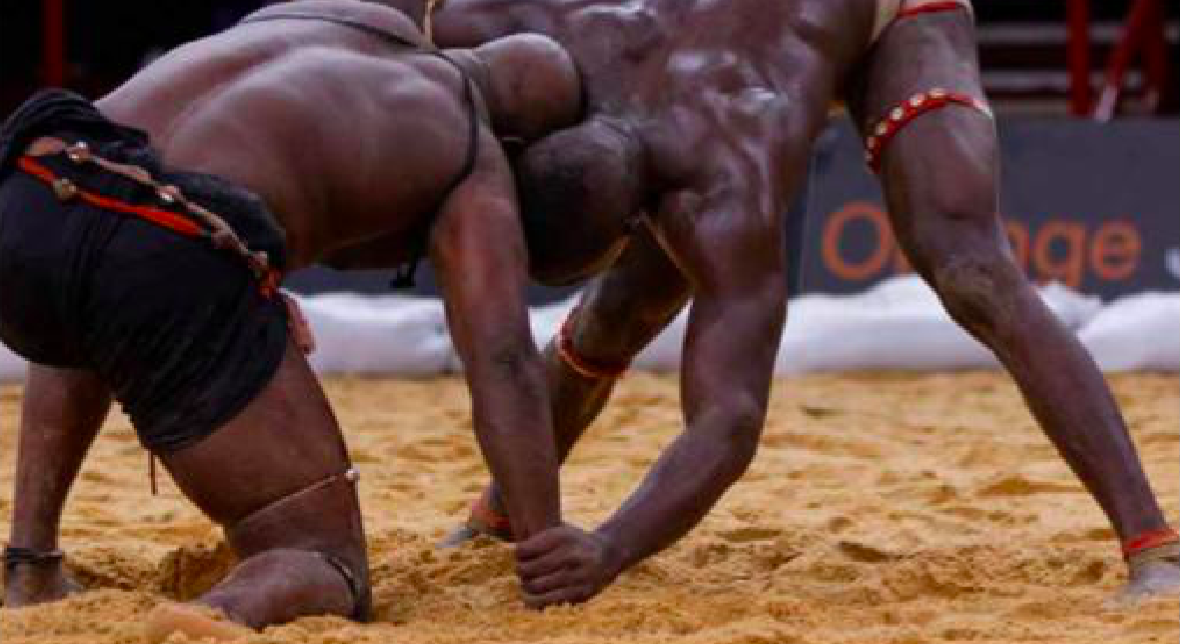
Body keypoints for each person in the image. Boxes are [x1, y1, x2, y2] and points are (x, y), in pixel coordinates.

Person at [393, 0, 1180, 607]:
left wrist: (611, 548)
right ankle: (506, 512)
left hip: (887, 15)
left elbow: (730, 420)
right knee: (617, 309)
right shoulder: (512, 28)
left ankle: (1153, 542)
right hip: (719, 59)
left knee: (968, 264)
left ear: (642, 212)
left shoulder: (727, 178)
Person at [0, 0, 582, 637]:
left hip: (34, 178)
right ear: (522, 143)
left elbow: (178, 167)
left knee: (102, 262)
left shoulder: (337, 16)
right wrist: (543, 540)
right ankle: (211, 620)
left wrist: (256, 282)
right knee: (327, 561)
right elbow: (502, 357)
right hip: (164, 251)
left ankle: (29, 562)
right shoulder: (472, 146)